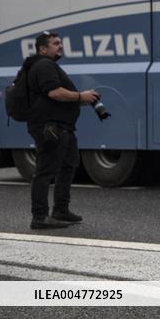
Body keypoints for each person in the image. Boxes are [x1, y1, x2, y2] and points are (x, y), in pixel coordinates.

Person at [25, 31, 99, 229]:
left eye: (60, 43)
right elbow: (54, 92)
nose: (60, 46)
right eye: (55, 43)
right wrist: (80, 96)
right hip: (50, 128)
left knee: (69, 164)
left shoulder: (49, 66)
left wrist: (82, 99)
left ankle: (61, 210)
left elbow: (54, 96)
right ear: (42, 48)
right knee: (45, 170)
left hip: (63, 127)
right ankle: (39, 216)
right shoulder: (44, 65)